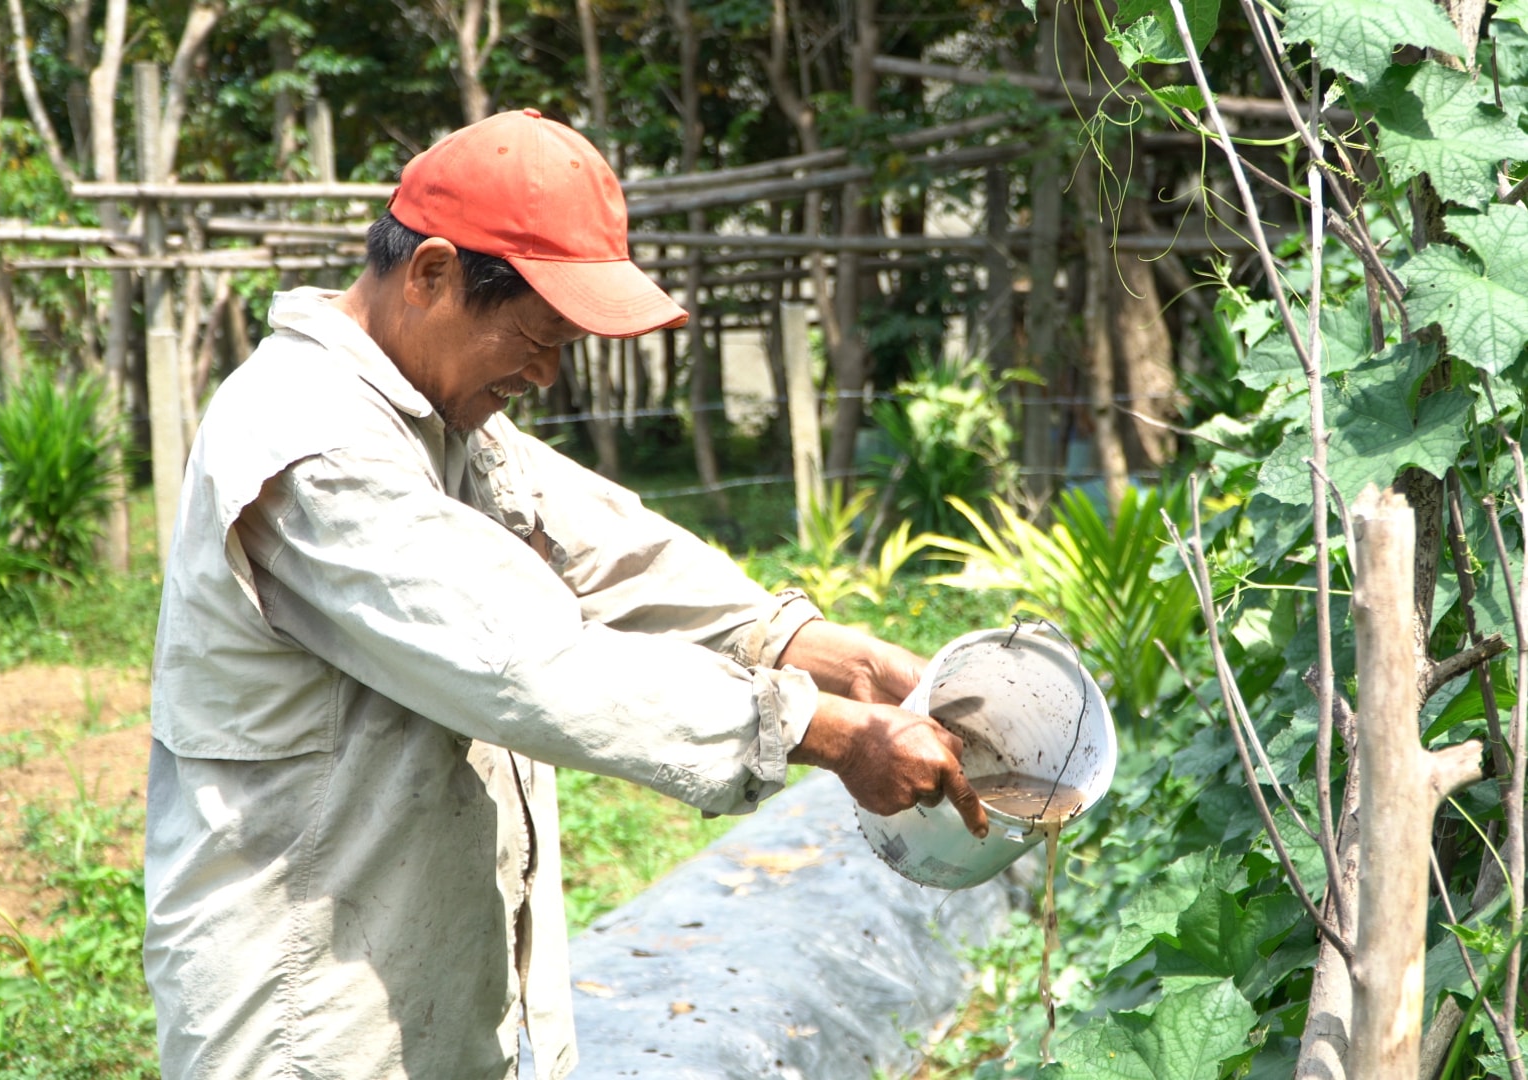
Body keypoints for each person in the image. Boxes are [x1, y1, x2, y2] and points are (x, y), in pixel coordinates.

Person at [143, 107, 987, 1080]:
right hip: (304, 1017)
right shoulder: (310, 442)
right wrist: (827, 734)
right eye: (536, 335)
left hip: (415, 970)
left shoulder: (437, 420)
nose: (546, 372)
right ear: (431, 275)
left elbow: (605, 545)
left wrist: (809, 643)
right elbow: (530, 663)